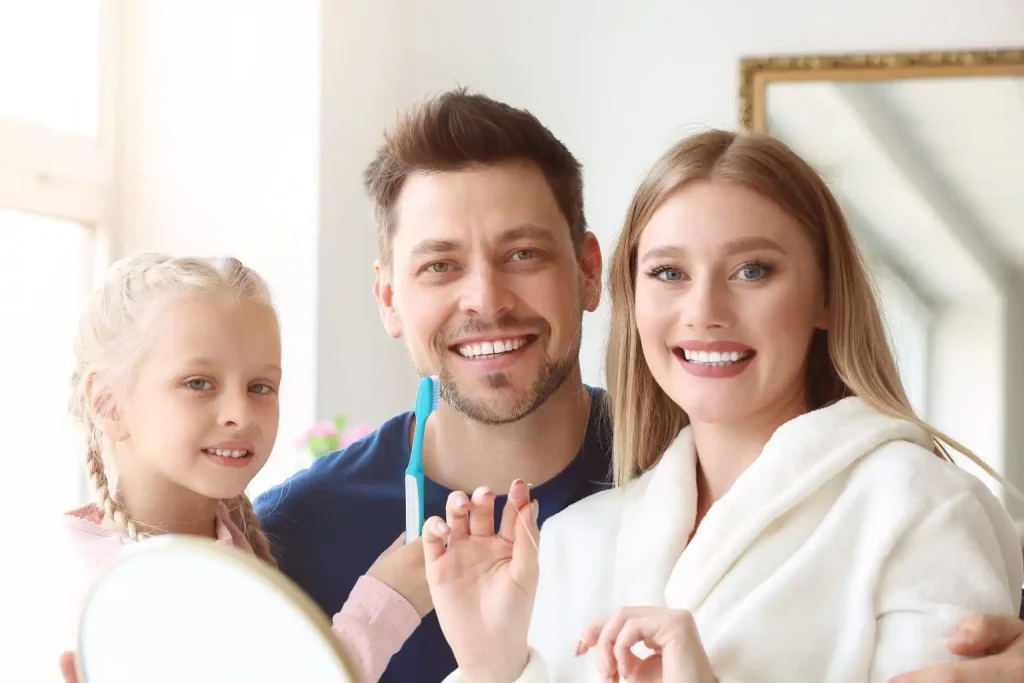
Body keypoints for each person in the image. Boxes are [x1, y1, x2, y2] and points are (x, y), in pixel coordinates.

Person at [421, 129, 1024, 682]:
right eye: (669, 273)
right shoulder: (576, 542)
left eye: (752, 270)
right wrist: (492, 667)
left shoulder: (918, 507)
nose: (705, 310)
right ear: (632, 301)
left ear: (827, 298)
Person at [254, 89, 611, 683]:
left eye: (523, 254)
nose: (486, 299)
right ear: (389, 299)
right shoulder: (288, 543)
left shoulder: (687, 477)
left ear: (589, 272)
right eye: (439, 266)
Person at [54, 253, 419, 683]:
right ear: (107, 402)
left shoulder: (230, 546)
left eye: (260, 386)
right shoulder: (105, 593)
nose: (240, 413)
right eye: (198, 383)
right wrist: (386, 602)